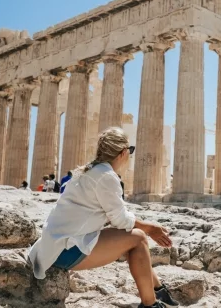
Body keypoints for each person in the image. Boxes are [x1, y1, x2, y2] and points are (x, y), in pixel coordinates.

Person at [28, 127, 176, 308]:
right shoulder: (106, 176)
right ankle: (150, 303)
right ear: (123, 153)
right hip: (64, 252)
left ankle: (158, 289)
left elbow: (114, 217)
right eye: (130, 151)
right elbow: (120, 220)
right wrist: (151, 228)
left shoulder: (88, 171)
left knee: (133, 237)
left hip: (54, 246)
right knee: (138, 238)